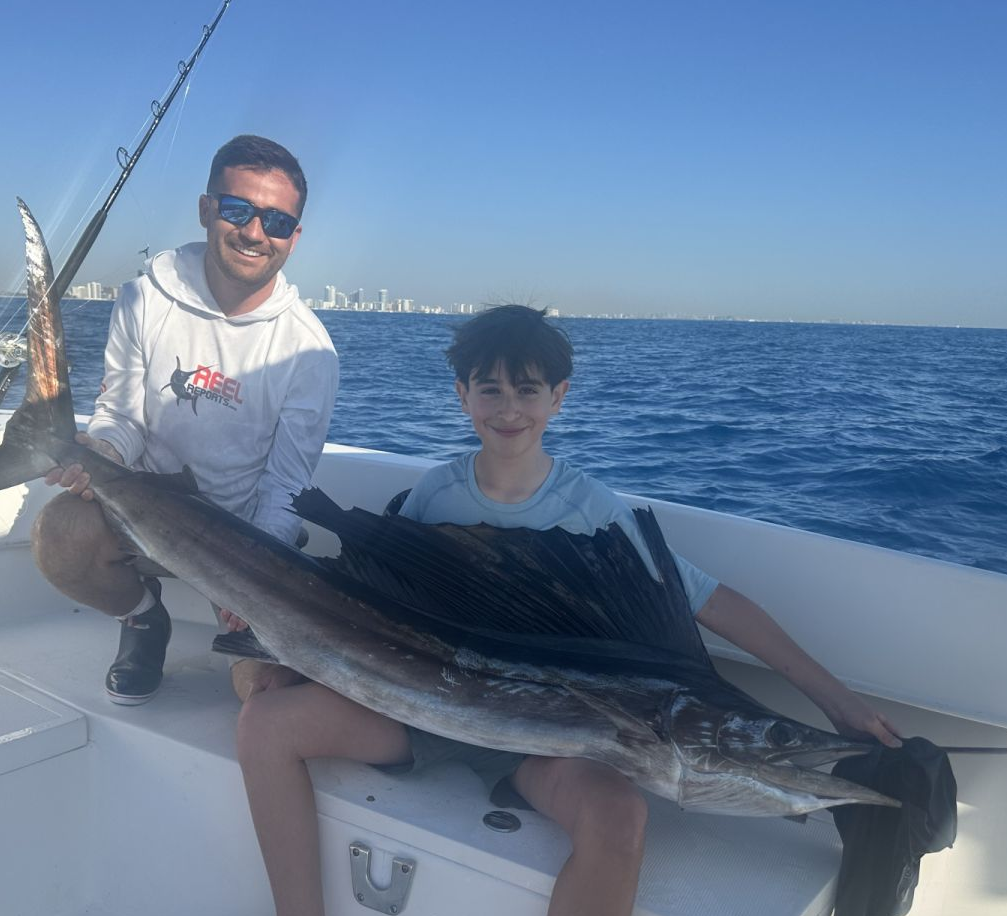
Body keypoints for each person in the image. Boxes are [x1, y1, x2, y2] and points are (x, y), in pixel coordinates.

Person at [233, 304, 902, 916]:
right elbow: (368, 602)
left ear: (559, 398)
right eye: (489, 388)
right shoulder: (436, 492)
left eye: (528, 389)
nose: (508, 407)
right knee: (265, 719)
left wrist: (837, 704)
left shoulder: (594, 510)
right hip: (416, 708)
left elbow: (716, 604)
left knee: (619, 818)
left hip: (542, 743)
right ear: (462, 396)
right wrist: (287, 661)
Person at [32, 134, 338, 705]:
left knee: (263, 689)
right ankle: (145, 619)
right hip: (144, 515)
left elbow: (285, 487)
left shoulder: (310, 351)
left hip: (243, 539)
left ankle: (236, 624)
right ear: (207, 209)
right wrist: (104, 451)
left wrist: (249, 582)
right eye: (238, 209)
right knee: (58, 536)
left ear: (294, 237)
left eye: (275, 220)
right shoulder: (144, 299)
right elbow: (121, 415)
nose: (254, 232)